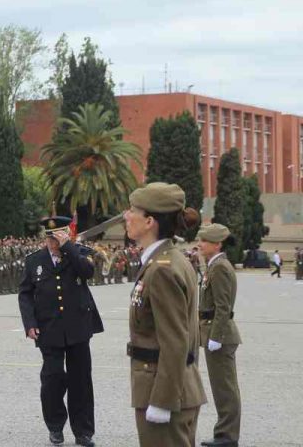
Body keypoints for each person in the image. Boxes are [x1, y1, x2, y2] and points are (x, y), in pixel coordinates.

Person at [124, 182, 207, 447]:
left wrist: (162, 401)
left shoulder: (162, 269)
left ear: (149, 221)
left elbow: (175, 340)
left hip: (164, 390)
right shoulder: (170, 259)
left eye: (132, 210)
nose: (126, 215)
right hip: (173, 386)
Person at [18, 216, 104, 447]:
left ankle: (83, 431)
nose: (52, 242)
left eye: (57, 238)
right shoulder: (34, 260)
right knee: (52, 379)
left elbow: (87, 272)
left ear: (66, 235)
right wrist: (30, 323)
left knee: (81, 381)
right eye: (49, 237)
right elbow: (25, 293)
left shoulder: (79, 254)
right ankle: (55, 426)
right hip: (49, 328)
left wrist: (69, 248)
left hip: (78, 327)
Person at [196, 223, 242, 447]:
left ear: (217, 244)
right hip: (215, 333)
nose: (199, 244)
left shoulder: (220, 267)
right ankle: (224, 433)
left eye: (204, 241)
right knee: (221, 387)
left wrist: (216, 336)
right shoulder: (213, 265)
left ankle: (227, 436)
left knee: (225, 388)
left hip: (220, 336)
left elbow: (223, 307)